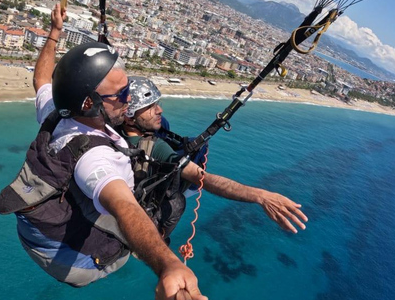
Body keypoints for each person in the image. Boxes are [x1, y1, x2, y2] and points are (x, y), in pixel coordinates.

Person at [0, 3, 207, 300]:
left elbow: (41, 79)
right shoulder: (94, 158)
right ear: (89, 102)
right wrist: (169, 265)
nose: (129, 100)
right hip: (75, 262)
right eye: (121, 96)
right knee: (172, 200)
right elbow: (124, 207)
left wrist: (55, 32)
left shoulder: (57, 111)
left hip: (37, 235)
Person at [119, 76, 309, 235]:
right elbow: (203, 179)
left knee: (166, 126)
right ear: (129, 116)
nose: (159, 109)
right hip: (152, 197)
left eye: (157, 103)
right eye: (150, 106)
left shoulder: (112, 129)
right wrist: (260, 196)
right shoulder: (156, 148)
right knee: (192, 150)